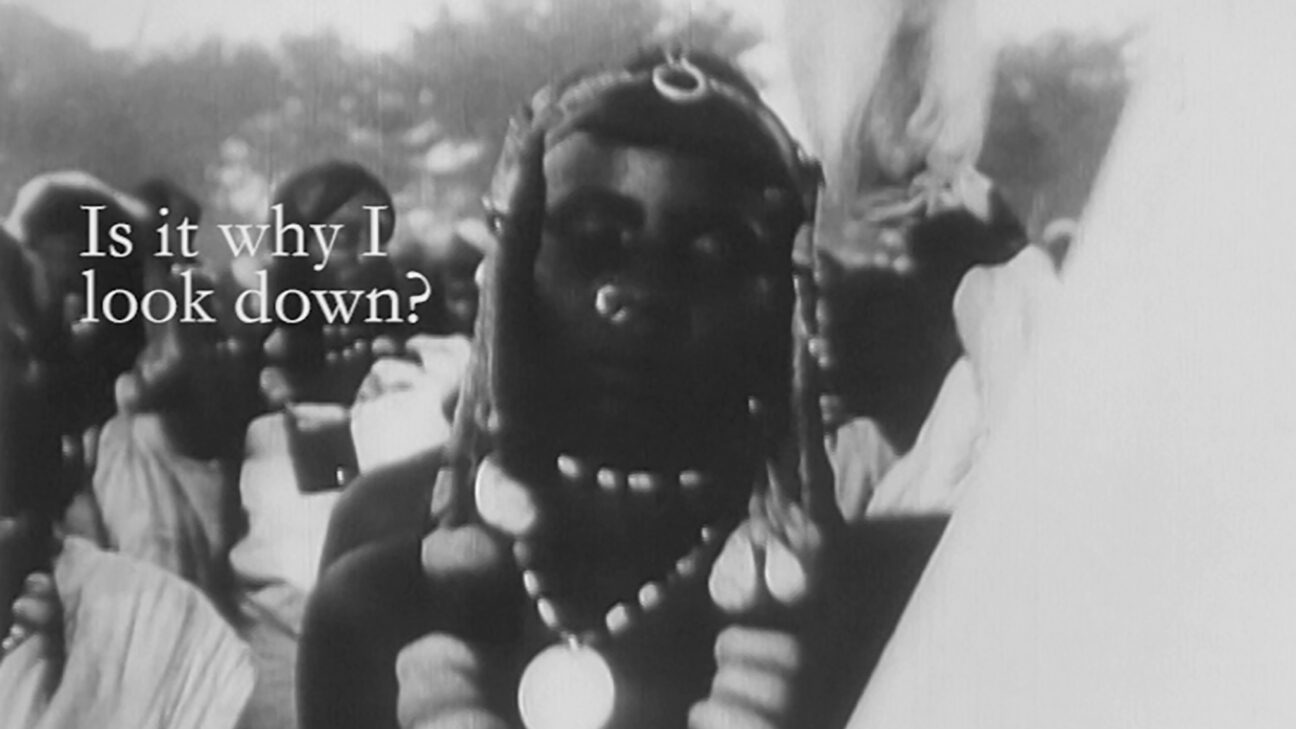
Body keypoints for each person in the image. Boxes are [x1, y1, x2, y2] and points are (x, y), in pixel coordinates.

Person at [299, 48, 944, 729]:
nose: (641, 292)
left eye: (713, 252)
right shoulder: (372, 601)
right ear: (510, 275)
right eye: (593, 238)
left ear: (787, 303)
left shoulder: (898, 601)